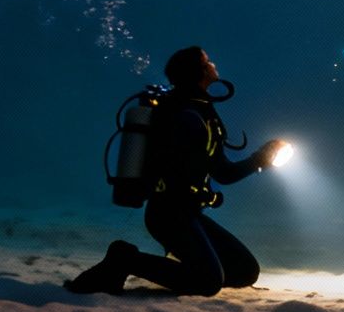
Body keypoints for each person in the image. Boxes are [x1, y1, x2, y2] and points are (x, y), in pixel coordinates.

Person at [65, 46, 286, 295]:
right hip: (168, 215)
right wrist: (258, 159)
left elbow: (223, 173)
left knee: (244, 271)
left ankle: (190, 269)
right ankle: (124, 259)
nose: (213, 63)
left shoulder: (199, 109)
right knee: (208, 283)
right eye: (207, 60)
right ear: (199, 71)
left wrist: (260, 159)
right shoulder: (186, 115)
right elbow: (180, 171)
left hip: (187, 213)